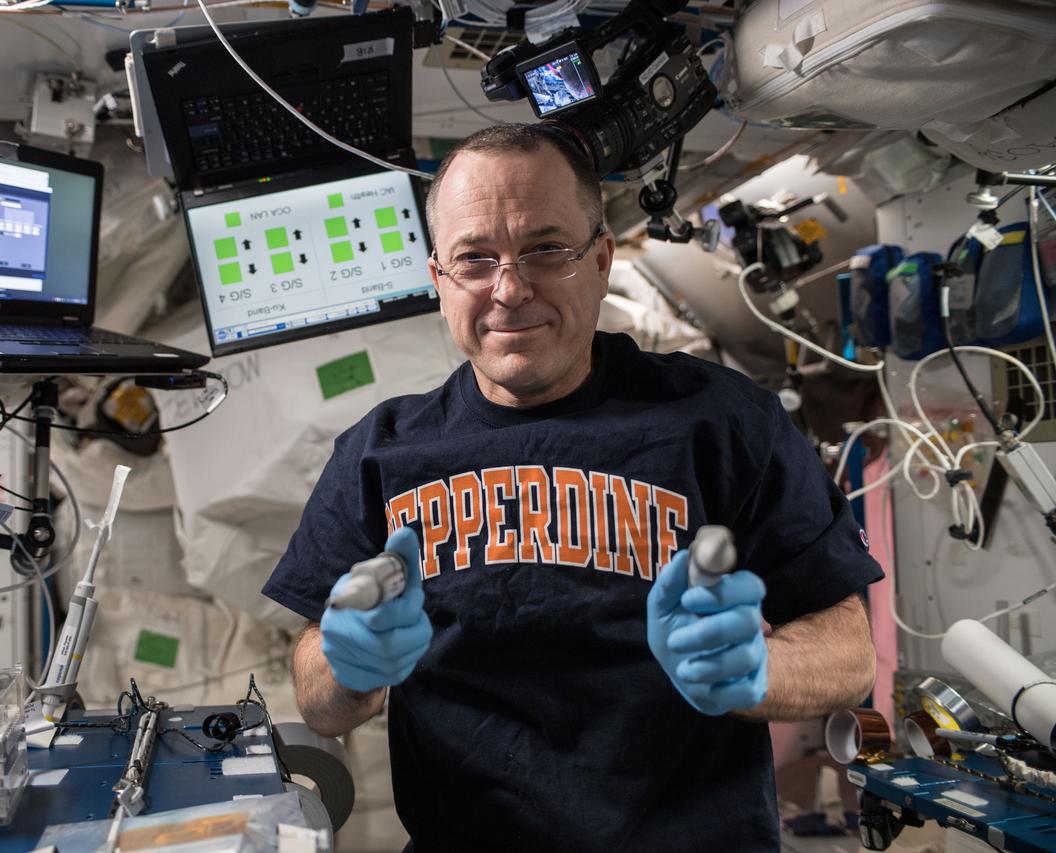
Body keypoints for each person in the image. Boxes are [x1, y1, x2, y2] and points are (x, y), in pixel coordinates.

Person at [261, 124, 882, 851]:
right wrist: (348, 667)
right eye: (475, 259)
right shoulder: (379, 452)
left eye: (545, 249)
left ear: (601, 258)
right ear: (439, 281)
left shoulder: (721, 423)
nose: (510, 289)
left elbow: (851, 651)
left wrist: (755, 671)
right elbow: (318, 694)